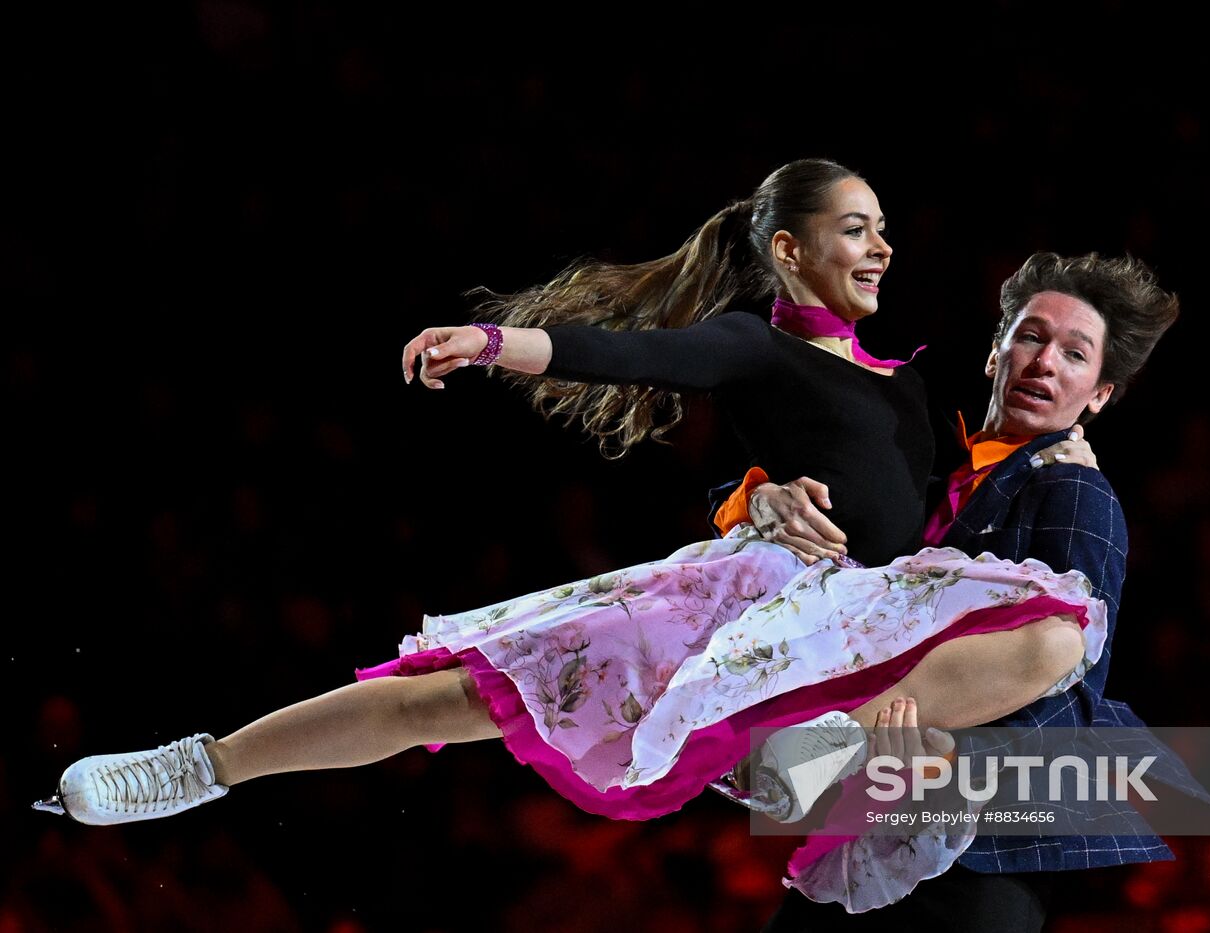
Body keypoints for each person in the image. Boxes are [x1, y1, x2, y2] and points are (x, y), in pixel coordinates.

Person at [34, 160, 1107, 911]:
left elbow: (916, 512)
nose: (880, 246)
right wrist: (497, 342)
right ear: (788, 249)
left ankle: (827, 749)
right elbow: (630, 356)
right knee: (454, 696)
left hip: (851, 632)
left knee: (1058, 629)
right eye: (854, 228)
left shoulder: (915, 384)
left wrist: (1045, 453)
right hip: (743, 606)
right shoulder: (754, 345)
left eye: (880, 228)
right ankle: (201, 765)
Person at [720, 252, 1192, 928]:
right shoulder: (925, 470)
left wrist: (946, 759)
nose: (1045, 361)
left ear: (1099, 394)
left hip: (977, 862)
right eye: (1030, 336)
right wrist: (759, 495)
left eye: (1075, 353)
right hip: (874, 825)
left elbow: (1067, 674)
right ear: (995, 355)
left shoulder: (1071, 488)